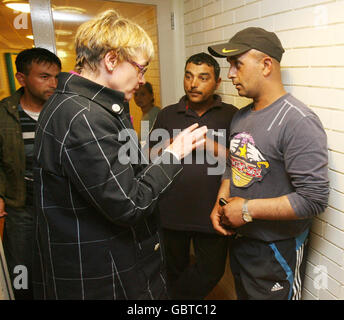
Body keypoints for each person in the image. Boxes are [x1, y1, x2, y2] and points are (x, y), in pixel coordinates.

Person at [32, 10, 207, 300]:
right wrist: (174, 156)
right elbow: (129, 204)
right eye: (140, 68)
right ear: (111, 59)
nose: (142, 79)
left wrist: (156, 152)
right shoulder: (84, 116)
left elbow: (110, 168)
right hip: (104, 277)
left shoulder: (84, 106)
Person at [208, 27, 329, 300]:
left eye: (237, 64)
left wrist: (248, 209)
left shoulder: (298, 120)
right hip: (241, 243)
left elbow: (314, 199)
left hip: (276, 250)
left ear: (266, 65)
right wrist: (222, 198)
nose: (230, 74)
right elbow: (234, 164)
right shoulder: (241, 117)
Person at [150, 52, 238, 299]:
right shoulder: (168, 114)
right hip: (172, 212)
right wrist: (173, 144)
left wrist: (207, 143)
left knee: (211, 271)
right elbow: (148, 156)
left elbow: (242, 160)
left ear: (217, 82)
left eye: (202, 77)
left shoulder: (232, 115)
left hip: (213, 212)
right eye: (188, 76)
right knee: (172, 270)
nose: (193, 83)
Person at [0, 47, 61, 300]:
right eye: (44, 76)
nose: (53, 83)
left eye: (56, 77)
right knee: (22, 269)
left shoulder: (62, 111)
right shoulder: (4, 113)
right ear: (22, 79)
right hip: (21, 207)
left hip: (60, 206)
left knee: (59, 266)